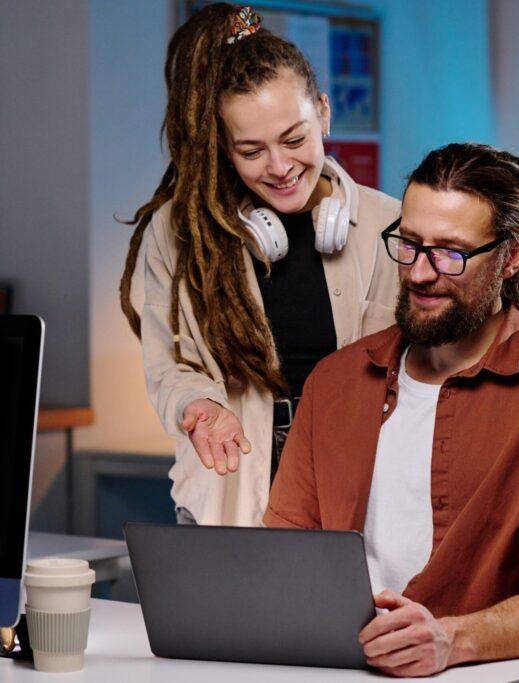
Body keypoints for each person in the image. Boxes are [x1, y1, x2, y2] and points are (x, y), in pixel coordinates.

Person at [264, 142, 519, 682]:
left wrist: (448, 639)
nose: (419, 273)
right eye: (410, 244)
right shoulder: (335, 382)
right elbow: (283, 555)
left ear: (511, 256)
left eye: (450, 253)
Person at [120, 4, 400, 526]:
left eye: (294, 139)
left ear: (324, 111)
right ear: (224, 149)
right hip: (226, 496)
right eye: (251, 151)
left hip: (357, 505)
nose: (280, 166)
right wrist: (199, 408)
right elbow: (170, 365)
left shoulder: (391, 226)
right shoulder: (179, 234)